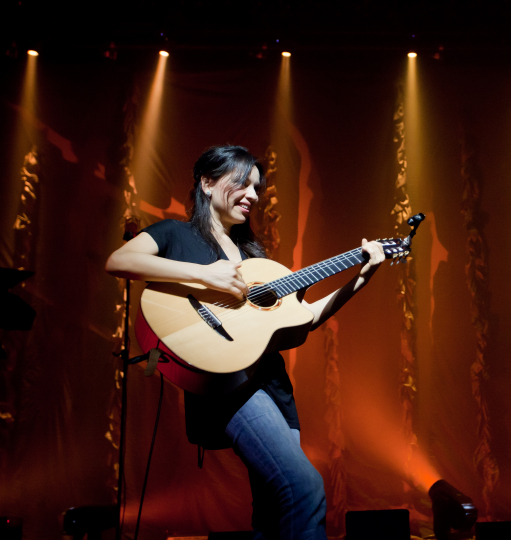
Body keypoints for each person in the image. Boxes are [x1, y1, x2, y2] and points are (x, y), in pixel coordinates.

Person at [106, 145, 385, 540]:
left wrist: (360, 278)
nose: (254, 195)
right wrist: (207, 277)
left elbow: (304, 321)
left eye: (257, 187)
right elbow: (119, 261)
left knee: (273, 514)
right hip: (227, 386)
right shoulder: (175, 234)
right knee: (305, 489)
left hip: (273, 389)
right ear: (206, 183)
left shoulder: (257, 260)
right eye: (243, 183)